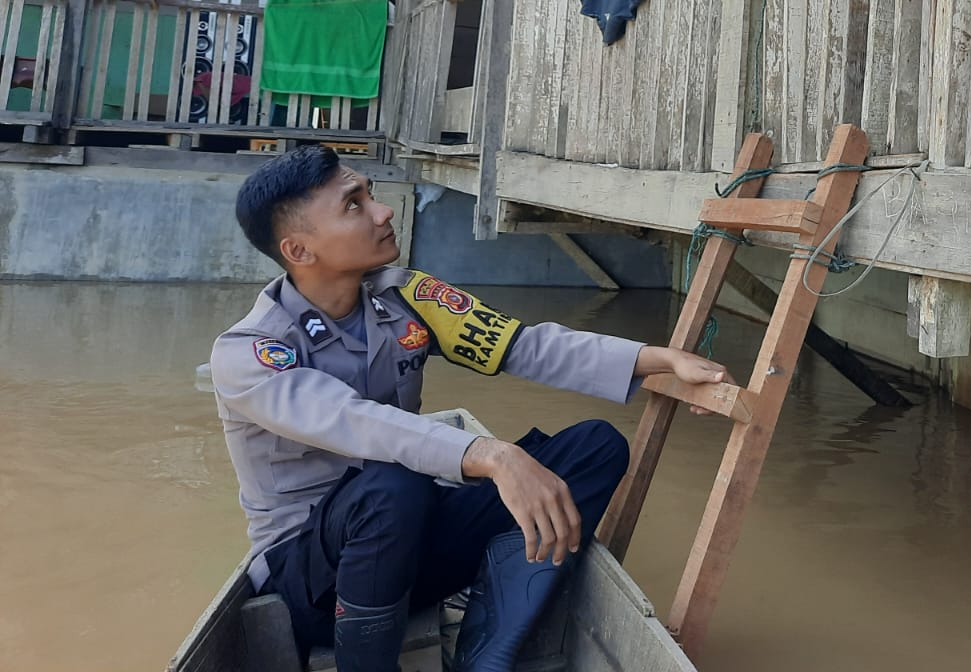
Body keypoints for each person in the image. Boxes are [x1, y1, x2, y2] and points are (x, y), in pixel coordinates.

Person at [211, 144, 727, 672]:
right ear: (299, 251)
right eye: (353, 205)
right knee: (395, 482)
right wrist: (493, 456)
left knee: (595, 447)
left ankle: (486, 652)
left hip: (412, 549)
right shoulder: (250, 351)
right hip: (314, 583)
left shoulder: (406, 299)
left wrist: (657, 359)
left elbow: (523, 346)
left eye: (370, 194)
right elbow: (354, 421)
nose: (382, 210)